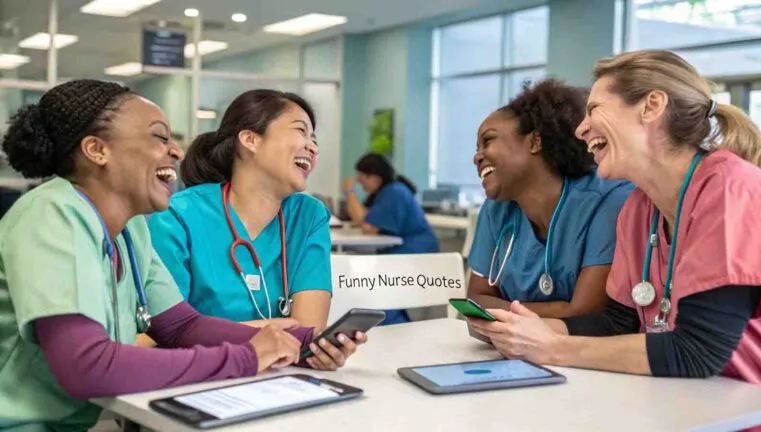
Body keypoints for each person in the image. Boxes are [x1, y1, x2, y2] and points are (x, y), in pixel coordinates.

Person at [0, 80, 365, 430]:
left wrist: (300, 343)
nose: (175, 151)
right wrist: (247, 357)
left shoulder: (133, 230)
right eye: (159, 137)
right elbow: (87, 367)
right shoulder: (50, 213)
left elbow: (181, 327)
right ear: (97, 149)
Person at [469, 50, 761, 386]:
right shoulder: (639, 209)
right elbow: (617, 322)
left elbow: (697, 351)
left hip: (744, 410)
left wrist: (554, 348)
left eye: (594, 109)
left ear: (652, 106)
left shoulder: (729, 191)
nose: (581, 129)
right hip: (673, 401)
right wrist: (522, 331)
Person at [148, 89, 334, 331]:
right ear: (251, 140)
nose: (314, 148)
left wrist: (324, 349)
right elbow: (163, 334)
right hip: (205, 368)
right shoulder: (178, 216)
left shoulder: (308, 216)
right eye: (301, 131)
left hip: (281, 369)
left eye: (315, 140)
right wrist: (274, 331)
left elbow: (309, 331)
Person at [468, 79, 633, 319]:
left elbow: (584, 312)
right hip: (511, 348)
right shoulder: (496, 209)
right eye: (476, 148)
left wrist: (498, 311)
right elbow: (475, 298)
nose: (477, 157)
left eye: (488, 140)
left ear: (534, 142)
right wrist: (556, 311)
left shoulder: (607, 199)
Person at [343, 153, 440, 325]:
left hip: (415, 250)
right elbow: (364, 217)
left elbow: (367, 226)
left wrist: (349, 192)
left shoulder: (394, 192)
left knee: (375, 287)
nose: (359, 181)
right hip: (406, 249)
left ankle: (391, 324)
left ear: (374, 177)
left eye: (361, 177)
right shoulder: (386, 192)